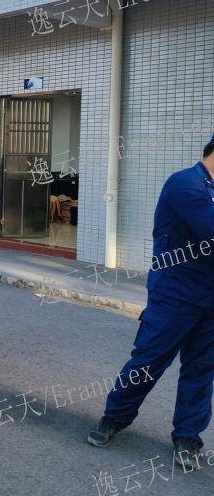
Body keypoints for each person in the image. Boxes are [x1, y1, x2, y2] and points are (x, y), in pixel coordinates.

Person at [87, 135, 214, 470]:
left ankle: (187, 437)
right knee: (148, 360)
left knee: (201, 370)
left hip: (210, 299)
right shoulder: (185, 184)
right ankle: (114, 417)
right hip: (175, 294)